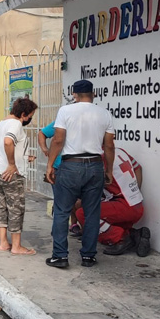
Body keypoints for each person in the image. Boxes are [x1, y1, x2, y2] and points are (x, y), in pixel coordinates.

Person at [45, 80, 115, 268]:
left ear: (74, 94)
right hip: (95, 166)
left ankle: (60, 256)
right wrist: (109, 170)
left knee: (62, 211)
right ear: (93, 94)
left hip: (71, 166)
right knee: (92, 213)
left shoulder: (65, 111)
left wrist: (50, 165)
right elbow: (109, 145)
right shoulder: (104, 113)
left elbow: (58, 140)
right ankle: (89, 256)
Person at [74, 148, 150, 256]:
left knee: (82, 214)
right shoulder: (120, 151)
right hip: (136, 204)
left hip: (124, 206)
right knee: (105, 222)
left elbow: (91, 191)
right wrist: (134, 192)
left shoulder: (99, 159)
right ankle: (135, 234)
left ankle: (121, 238)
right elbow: (138, 168)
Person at [0, 98, 38, 256]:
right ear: (23, 114)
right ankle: (16, 246)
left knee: (2, 206)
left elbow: (10, 145)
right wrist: (11, 164)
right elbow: (8, 142)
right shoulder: (16, 124)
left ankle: (3, 242)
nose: (30, 118)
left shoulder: (3, 122)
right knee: (16, 208)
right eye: (30, 115)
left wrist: (24, 158)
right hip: (9, 173)